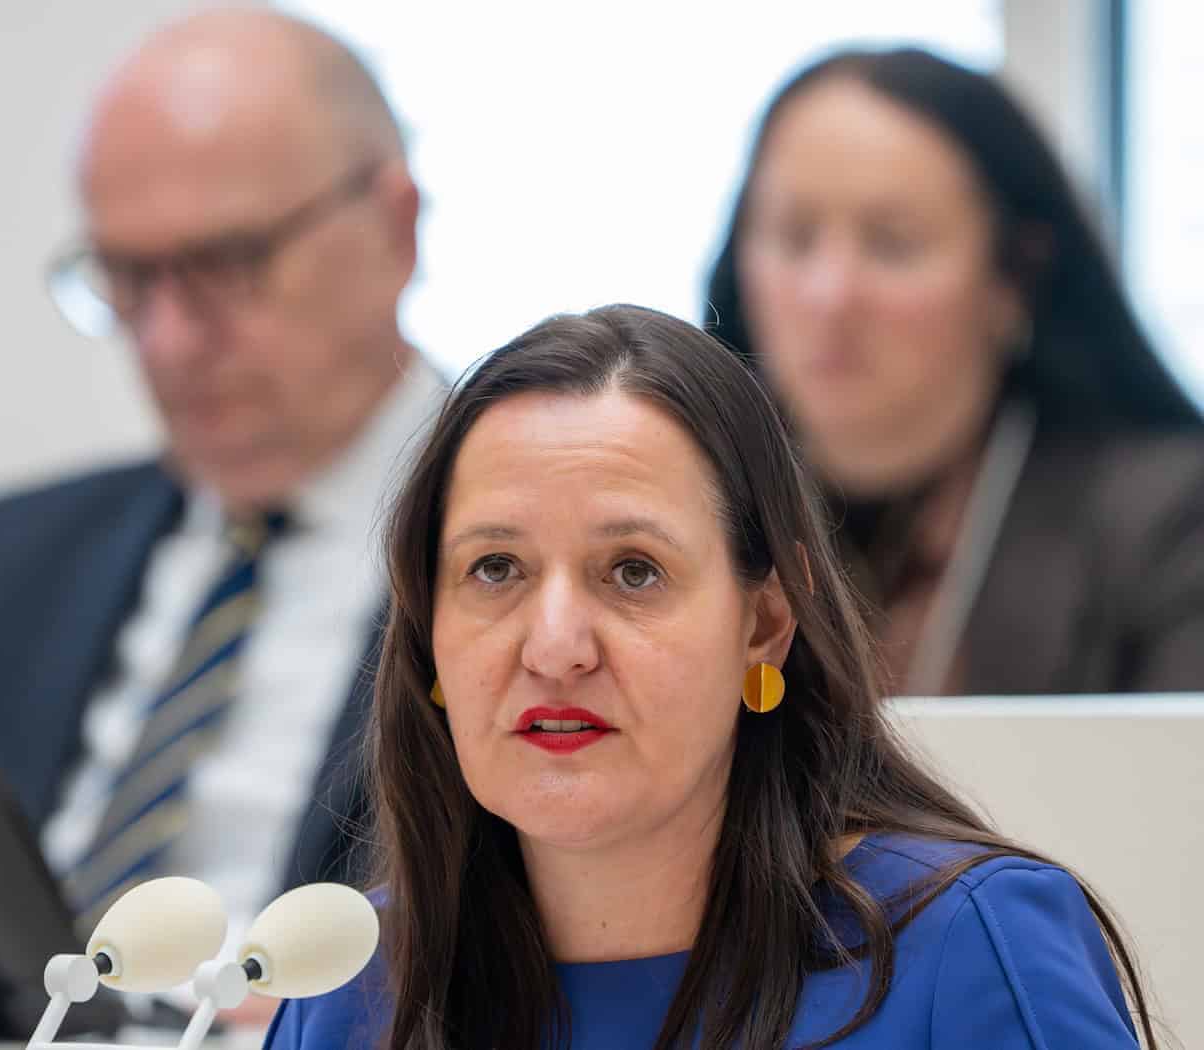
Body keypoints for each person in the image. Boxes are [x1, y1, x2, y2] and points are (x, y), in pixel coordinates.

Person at [264, 305, 1152, 1049]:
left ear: (764, 625)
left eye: (634, 572)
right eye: (496, 568)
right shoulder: (346, 987)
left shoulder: (972, 948)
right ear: (428, 633)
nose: (556, 646)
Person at [0, 7, 439, 1030]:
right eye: (128, 277)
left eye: (229, 263)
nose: (167, 338)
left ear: (395, 228)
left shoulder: (522, 564)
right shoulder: (4, 563)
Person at [705, 47, 1204, 695]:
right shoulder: (692, 505)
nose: (829, 295)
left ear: (1014, 277)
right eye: (795, 237)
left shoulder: (1169, 527)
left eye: (893, 243)